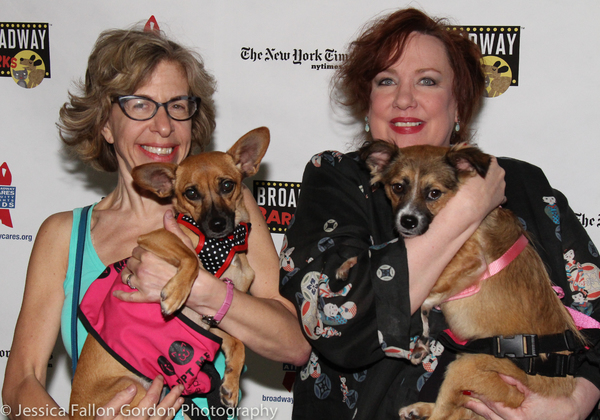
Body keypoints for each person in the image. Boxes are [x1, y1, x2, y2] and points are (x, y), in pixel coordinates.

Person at [279, 8, 600, 420]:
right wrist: (465, 208)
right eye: (386, 81)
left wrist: (576, 404)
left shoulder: (521, 184)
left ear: (458, 105)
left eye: (427, 81)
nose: (404, 98)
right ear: (368, 102)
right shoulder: (338, 180)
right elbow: (336, 322)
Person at [2, 25, 310, 420]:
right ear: (105, 124)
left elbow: (294, 347)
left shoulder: (233, 212)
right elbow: (20, 383)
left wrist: (200, 287)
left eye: (177, 105)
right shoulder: (65, 236)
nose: (164, 126)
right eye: (140, 105)